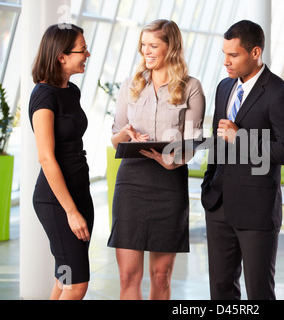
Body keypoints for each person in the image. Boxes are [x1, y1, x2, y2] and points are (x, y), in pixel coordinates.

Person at [201, 20, 284, 300]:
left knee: (259, 293)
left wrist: (242, 138)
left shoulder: (281, 94)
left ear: (255, 53)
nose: (226, 62)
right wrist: (209, 184)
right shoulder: (224, 88)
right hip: (218, 205)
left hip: (256, 211)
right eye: (224, 54)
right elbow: (217, 140)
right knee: (220, 292)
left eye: (233, 55)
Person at [107, 19, 205, 300]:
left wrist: (172, 162)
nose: (146, 51)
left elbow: (192, 141)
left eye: (153, 46)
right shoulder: (131, 84)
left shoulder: (191, 87)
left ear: (170, 47)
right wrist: (125, 134)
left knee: (161, 277)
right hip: (131, 182)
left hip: (168, 181)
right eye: (143, 45)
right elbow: (115, 138)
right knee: (128, 276)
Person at [29, 23, 93, 300]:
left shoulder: (72, 90)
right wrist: (70, 211)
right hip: (57, 201)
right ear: (61, 56)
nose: (87, 54)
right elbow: (46, 157)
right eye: (82, 50)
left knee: (64, 275)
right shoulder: (44, 96)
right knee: (76, 285)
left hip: (80, 191)